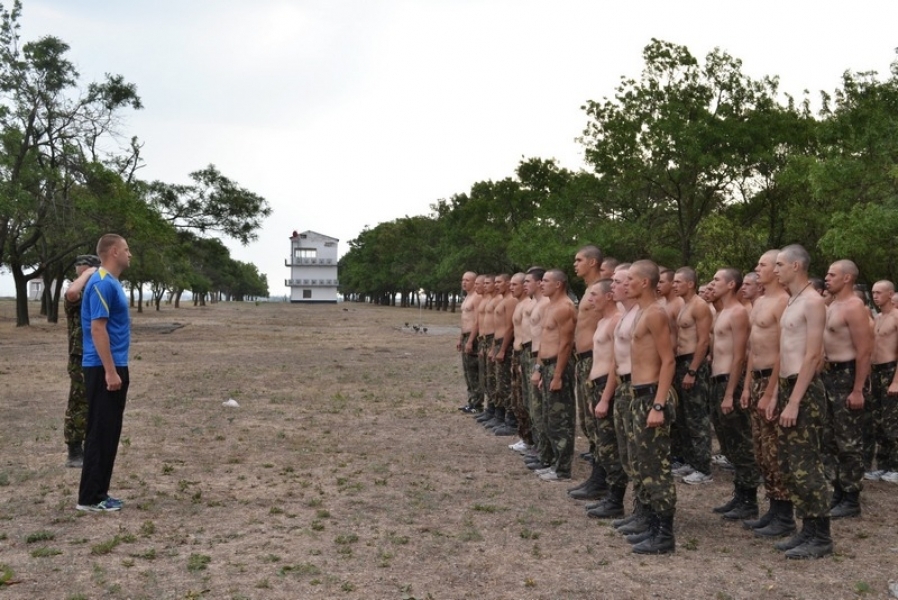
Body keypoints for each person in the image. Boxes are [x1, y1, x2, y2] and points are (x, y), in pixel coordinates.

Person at [772, 244, 832, 558]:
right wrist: (775, 394)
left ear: (796, 266)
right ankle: (806, 528)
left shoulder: (813, 301)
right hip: (787, 385)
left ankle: (821, 536)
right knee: (790, 463)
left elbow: (813, 355)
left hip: (803, 389)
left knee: (806, 464)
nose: (775, 269)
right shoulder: (793, 300)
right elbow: (785, 350)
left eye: (780, 264)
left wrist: (794, 401)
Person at [740, 250, 795, 538]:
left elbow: (783, 352)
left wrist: (771, 392)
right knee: (761, 451)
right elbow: (753, 348)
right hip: (757, 380)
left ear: (776, 269)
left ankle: (785, 516)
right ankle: (772, 509)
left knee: (775, 451)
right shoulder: (760, 301)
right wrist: (748, 385)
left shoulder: (784, 301)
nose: (756, 268)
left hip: (773, 384)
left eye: (762, 264)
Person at [77, 234, 132, 512]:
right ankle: (90, 497)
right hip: (102, 367)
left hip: (113, 364)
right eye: (126, 249)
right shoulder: (100, 282)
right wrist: (111, 372)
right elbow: (97, 329)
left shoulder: (111, 283)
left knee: (109, 431)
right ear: (113, 252)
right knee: (100, 431)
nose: (129, 254)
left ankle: (100, 492)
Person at [624, 260, 677, 554]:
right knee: (643, 463)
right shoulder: (642, 311)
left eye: (630, 278)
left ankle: (664, 534)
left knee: (657, 467)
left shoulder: (656, 313)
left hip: (651, 396)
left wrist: (658, 404)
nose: (626, 282)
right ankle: (651, 524)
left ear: (645, 282)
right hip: (639, 395)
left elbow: (668, 360)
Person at [706, 268, 760, 520]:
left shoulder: (738, 312)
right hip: (716, 381)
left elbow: (740, 356)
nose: (712, 283)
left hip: (730, 382)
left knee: (741, 442)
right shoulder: (722, 312)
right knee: (728, 442)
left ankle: (749, 499)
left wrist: (730, 393)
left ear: (731, 285)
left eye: (717, 280)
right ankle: (740, 495)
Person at [822, 260, 873, 518]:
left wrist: (858, 389)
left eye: (832, 274)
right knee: (831, 439)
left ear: (847, 278)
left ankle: (851, 497)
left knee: (849, 440)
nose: (827, 277)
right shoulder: (832, 305)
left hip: (847, 375)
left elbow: (864, 352)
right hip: (830, 377)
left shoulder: (854, 307)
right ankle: (838, 491)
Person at [583, 280, 628, 518]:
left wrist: (605, 397)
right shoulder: (602, 321)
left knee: (611, 446)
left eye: (594, 295)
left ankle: (615, 499)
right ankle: (603, 487)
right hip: (596, 386)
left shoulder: (616, 321)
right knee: (601, 442)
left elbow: (615, 363)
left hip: (606, 387)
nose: (590, 300)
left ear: (609, 296)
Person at [569, 245, 608, 500]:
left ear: (593, 262)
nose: (575, 264)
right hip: (582, 360)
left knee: (597, 424)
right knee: (587, 421)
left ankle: (602, 478)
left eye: (579, 260)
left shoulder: (602, 291)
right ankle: (597, 474)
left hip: (595, 359)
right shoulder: (588, 291)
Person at [531, 269, 577, 482]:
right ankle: (551, 461)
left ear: (558, 284)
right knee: (549, 417)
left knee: (560, 419)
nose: (542, 284)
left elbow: (566, 344)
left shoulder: (565, 307)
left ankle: (562, 468)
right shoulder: (550, 306)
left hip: (558, 367)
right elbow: (544, 341)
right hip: (547, 366)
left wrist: (557, 375)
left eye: (546, 281)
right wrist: (539, 369)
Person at [671, 267, 713, 484]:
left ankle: (703, 467)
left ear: (690, 284)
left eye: (678, 282)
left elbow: (704, 341)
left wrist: (693, 370)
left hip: (692, 363)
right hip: (681, 362)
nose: (674, 285)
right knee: (684, 416)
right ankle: (690, 460)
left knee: (697, 417)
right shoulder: (684, 305)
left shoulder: (699, 305)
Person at [63, 255, 100, 467]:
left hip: (99, 353)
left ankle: (92, 445)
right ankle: (74, 450)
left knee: (97, 401)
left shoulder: (95, 290)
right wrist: (87, 274)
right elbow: (72, 293)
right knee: (78, 402)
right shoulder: (75, 291)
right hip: (80, 356)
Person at [869, 281, 898, 483]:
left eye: (879, 292)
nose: (875, 295)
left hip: (891, 370)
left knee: (892, 422)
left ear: (890, 294)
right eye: (873, 292)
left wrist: (896, 381)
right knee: (878, 422)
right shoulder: (877, 318)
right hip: (876, 372)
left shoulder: (897, 317)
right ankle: (883, 465)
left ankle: (895, 466)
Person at [507, 273, 533, 451]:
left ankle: (531, 439)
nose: (511, 287)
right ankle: (525, 436)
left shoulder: (530, 306)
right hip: (517, 354)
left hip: (525, 354)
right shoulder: (519, 304)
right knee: (518, 399)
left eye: (515, 284)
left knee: (525, 399)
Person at [490, 274, 519, 436]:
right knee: (499, 382)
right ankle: (500, 415)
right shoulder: (503, 300)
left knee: (506, 384)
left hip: (505, 345)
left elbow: (510, 327)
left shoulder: (510, 301)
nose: (496, 285)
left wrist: (501, 349)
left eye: (499, 282)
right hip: (499, 342)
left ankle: (511, 420)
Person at [457, 271, 483, 413]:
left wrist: (471, 341)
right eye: (463, 280)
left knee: (474, 372)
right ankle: (471, 400)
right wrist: (461, 338)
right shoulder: (467, 297)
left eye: (467, 280)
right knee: (467, 372)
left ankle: (477, 403)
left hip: (473, 337)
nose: (464, 282)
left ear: (474, 282)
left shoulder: (477, 297)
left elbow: (477, 321)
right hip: (466, 335)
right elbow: (464, 320)